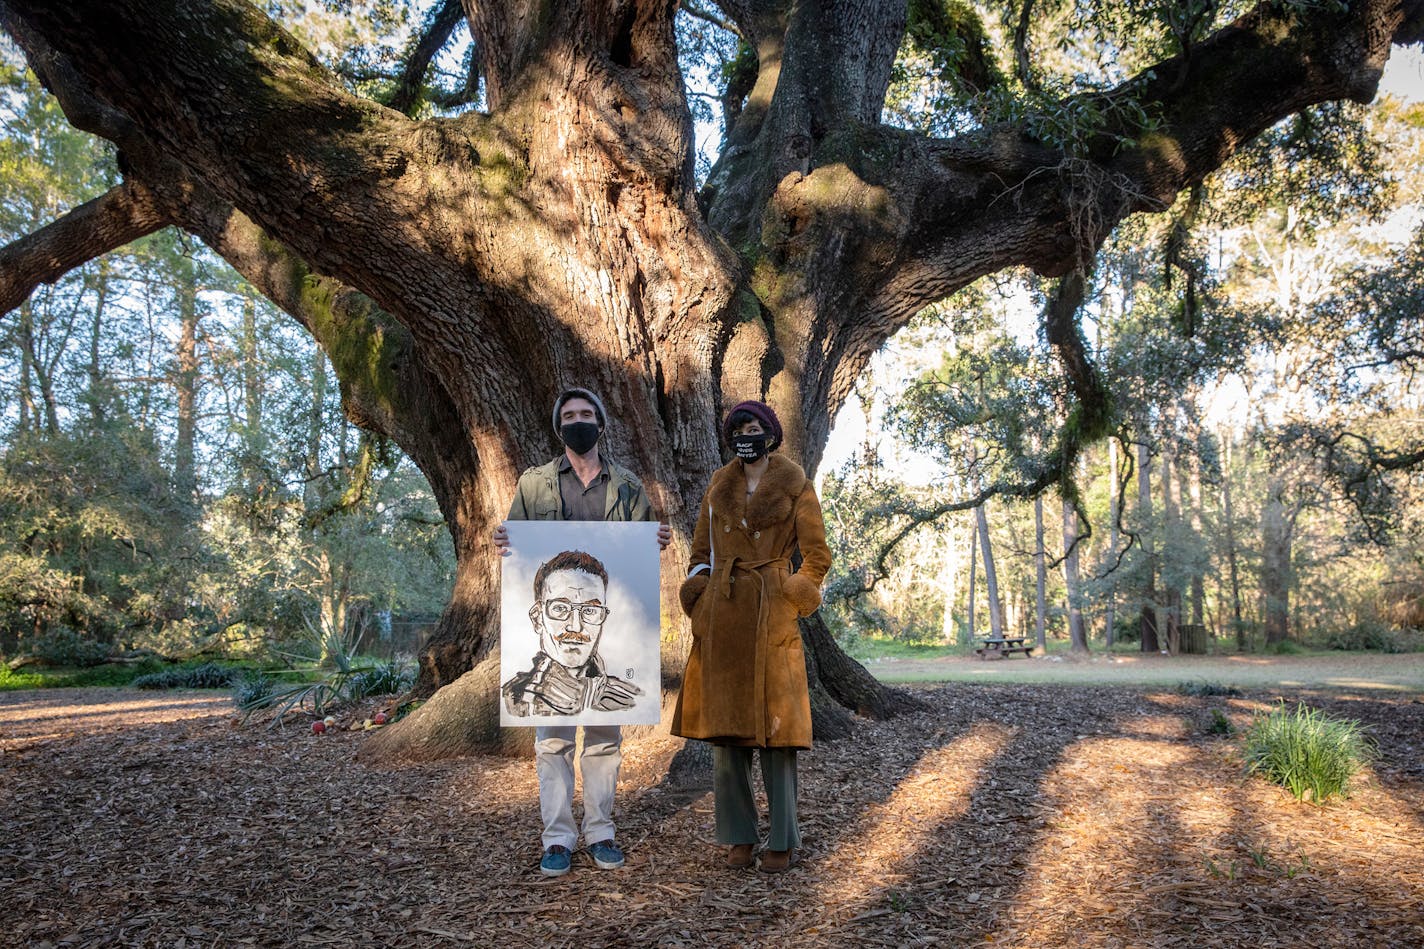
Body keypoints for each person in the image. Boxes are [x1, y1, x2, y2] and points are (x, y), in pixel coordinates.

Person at [492, 386, 669, 879]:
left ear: (601, 423)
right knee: (551, 744)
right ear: (558, 426)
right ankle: (557, 838)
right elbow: (516, 548)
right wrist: (503, 538)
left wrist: (657, 537)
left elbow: (640, 559)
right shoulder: (534, 485)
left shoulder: (629, 485)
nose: (578, 421)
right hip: (547, 662)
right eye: (569, 415)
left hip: (608, 658)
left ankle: (601, 830)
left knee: (604, 743)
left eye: (586, 414)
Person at [669, 400, 831, 873]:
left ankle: (782, 838)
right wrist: (699, 595)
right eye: (739, 427)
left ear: (771, 433)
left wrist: (795, 592)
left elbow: (817, 554)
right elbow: (701, 550)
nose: (747, 432)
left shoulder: (796, 483)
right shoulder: (719, 484)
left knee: (778, 735)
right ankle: (739, 836)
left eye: (755, 426)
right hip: (724, 613)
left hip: (773, 610)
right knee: (728, 736)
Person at [501, 548, 642, 717]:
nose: (576, 627)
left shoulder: (626, 696)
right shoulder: (515, 700)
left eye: (590, 610)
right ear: (537, 618)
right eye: (560, 608)